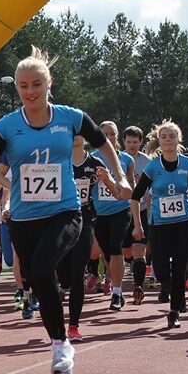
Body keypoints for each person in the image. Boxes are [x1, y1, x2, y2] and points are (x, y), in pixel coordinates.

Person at [0, 45, 131, 374]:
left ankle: (60, 345)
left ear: (48, 84)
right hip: (25, 218)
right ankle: (61, 342)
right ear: (17, 88)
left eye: (36, 84)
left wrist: (120, 177)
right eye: (23, 86)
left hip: (65, 211)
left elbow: (103, 143)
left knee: (44, 269)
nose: (30, 92)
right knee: (37, 277)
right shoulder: (6, 126)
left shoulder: (71, 117)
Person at [131, 121, 188, 329]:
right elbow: (135, 197)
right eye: (164, 137)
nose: (168, 140)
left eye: (172, 136)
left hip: (184, 223)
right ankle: (169, 288)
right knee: (160, 270)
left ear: (178, 140)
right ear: (159, 141)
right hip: (159, 225)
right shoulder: (152, 167)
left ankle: (174, 311)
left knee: (179, 267)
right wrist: (137, 225)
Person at [56, 135, 111, 340]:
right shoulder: (58, 160)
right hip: (60, 221)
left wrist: (109, 180)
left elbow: (116, 189)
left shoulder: (95, 163)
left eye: (79, 132)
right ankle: (63, 285)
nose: (75, 136)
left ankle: (73, 325)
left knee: (78, 271)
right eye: (71, 132)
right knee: (63, 273)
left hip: (85, 220)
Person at [91, 121, 136, 311]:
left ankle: (117, 292)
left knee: (116, 247)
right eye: (105, 134)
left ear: (117, 136)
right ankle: (113, 278)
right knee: (106, 253)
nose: (109, 137)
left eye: (112, 133)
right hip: (99, 212)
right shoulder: (92, 158)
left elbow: (132, 187)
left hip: (121, 209)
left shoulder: (127, 159)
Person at [122, 125, 152, 305]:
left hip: (141, 211)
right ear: (124, 142)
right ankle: (129, 261)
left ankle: (138, 287)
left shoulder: (147, 162)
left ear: (141, 142)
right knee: (126, 251)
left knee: (139, 251)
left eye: (135, 142)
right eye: (129, 141)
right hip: (121, 211)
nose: (132, 145)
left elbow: (152, 188)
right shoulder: (118, 159)